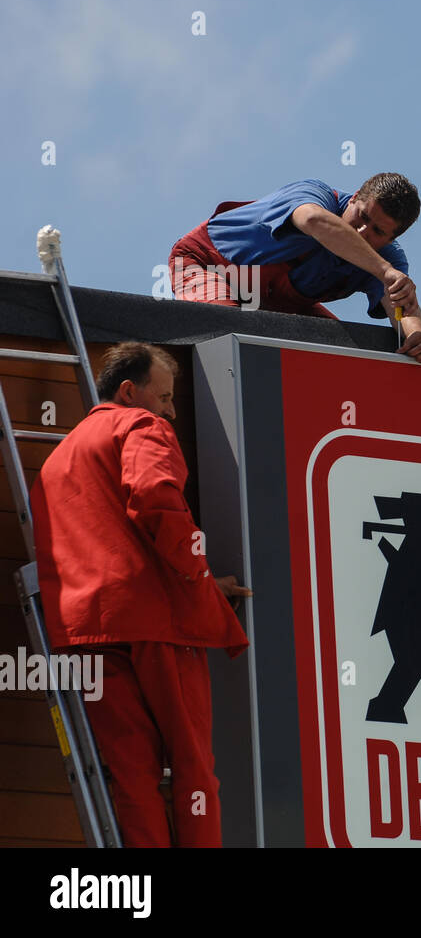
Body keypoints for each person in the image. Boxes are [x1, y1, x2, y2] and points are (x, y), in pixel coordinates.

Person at [30, 342, 252, 847]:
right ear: (130, 391)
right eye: (166, 396)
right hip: (155, 628)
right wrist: (199, 586)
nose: (171, 410)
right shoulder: (141, 426)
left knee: (131, 775)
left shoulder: (57, 461)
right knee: (194, 771)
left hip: (85, 634)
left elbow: (106, 538)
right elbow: (155, 500)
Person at [168, 172, 421, 364]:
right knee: (233, 334)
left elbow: (400, 305)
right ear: (354, 198)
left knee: (344, 358)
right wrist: (384, 270)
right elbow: (314, 220)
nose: (363, 231)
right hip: (206, 263)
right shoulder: (314, 194)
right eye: (363, 216)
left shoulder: (389, 260)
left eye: (378, 231)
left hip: (276, 301)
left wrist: (416, 336)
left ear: (391, 239)